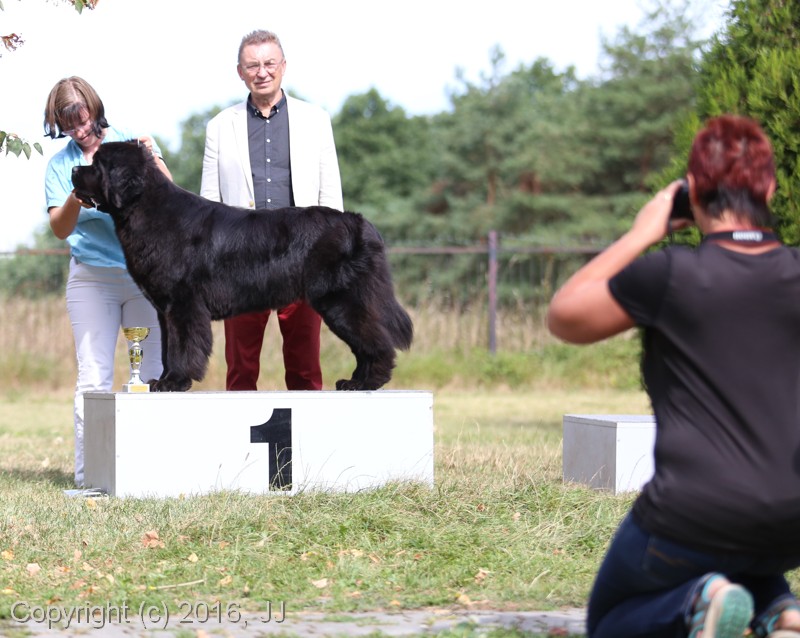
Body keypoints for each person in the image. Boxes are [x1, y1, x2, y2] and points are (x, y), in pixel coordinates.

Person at [547, 114, 800, 638]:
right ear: (771, 189)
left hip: (691, 515)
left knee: (609, 620)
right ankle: (781, 611)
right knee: (751, 540)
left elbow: (565, 316)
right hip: (791, 521)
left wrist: (644, 232)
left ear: (693, 193)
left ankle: (699, 603)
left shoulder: (672, 275)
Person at [43, 76, 172, 487]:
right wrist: (77, 193)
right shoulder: (61, 166)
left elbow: (169, 196)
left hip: (144, 277)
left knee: (152, 373)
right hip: (91, 279)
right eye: (68, 125)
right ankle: (91, 477)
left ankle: (152, 472)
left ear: (95, 109)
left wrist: (153, 157)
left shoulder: (130, 143)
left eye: (82, 120)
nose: (79, 131)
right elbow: (60, 229)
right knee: (93, 378)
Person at [200, 29, 343, 392]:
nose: (261, 72)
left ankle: (308, 429)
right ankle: (239, 430)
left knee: (305, 365)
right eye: (252, 65)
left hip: (303, 256)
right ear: (240, 72)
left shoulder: (316, 120)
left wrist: (331, 255)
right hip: (240, 262)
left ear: (283, 66)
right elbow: (208, 204)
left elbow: (330, 196)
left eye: (269, 63)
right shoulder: (219, 127)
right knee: (240, 368)